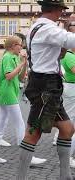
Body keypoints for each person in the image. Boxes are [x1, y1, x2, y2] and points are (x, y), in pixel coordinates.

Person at [16, 1, 75, 179]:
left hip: (48, 84)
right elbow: (70, 40)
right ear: (55, 10)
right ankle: (21, 177)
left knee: (67, 129)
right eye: (61, 11)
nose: (61, 15)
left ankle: (64, 175)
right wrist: (70, 28)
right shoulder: (47, 28)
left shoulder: (37, 26)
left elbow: (58, 52)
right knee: (33, 133)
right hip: (45, 85)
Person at [0, 36, 27, 163]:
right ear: (13, 46)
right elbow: (9, 76)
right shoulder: (8, 57)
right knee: (19, 123)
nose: (21, 47)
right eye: (20, 44)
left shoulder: (14, 57)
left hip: (8, 93)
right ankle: (26, 156)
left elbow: (20, 78)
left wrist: (24, 64)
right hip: (8, 93)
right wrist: (21, 64)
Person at [52, 15, 75, 168]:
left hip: (71, 88)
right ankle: (68, 157)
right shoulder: (68, 55)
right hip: (71, 88)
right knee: (70, 120)